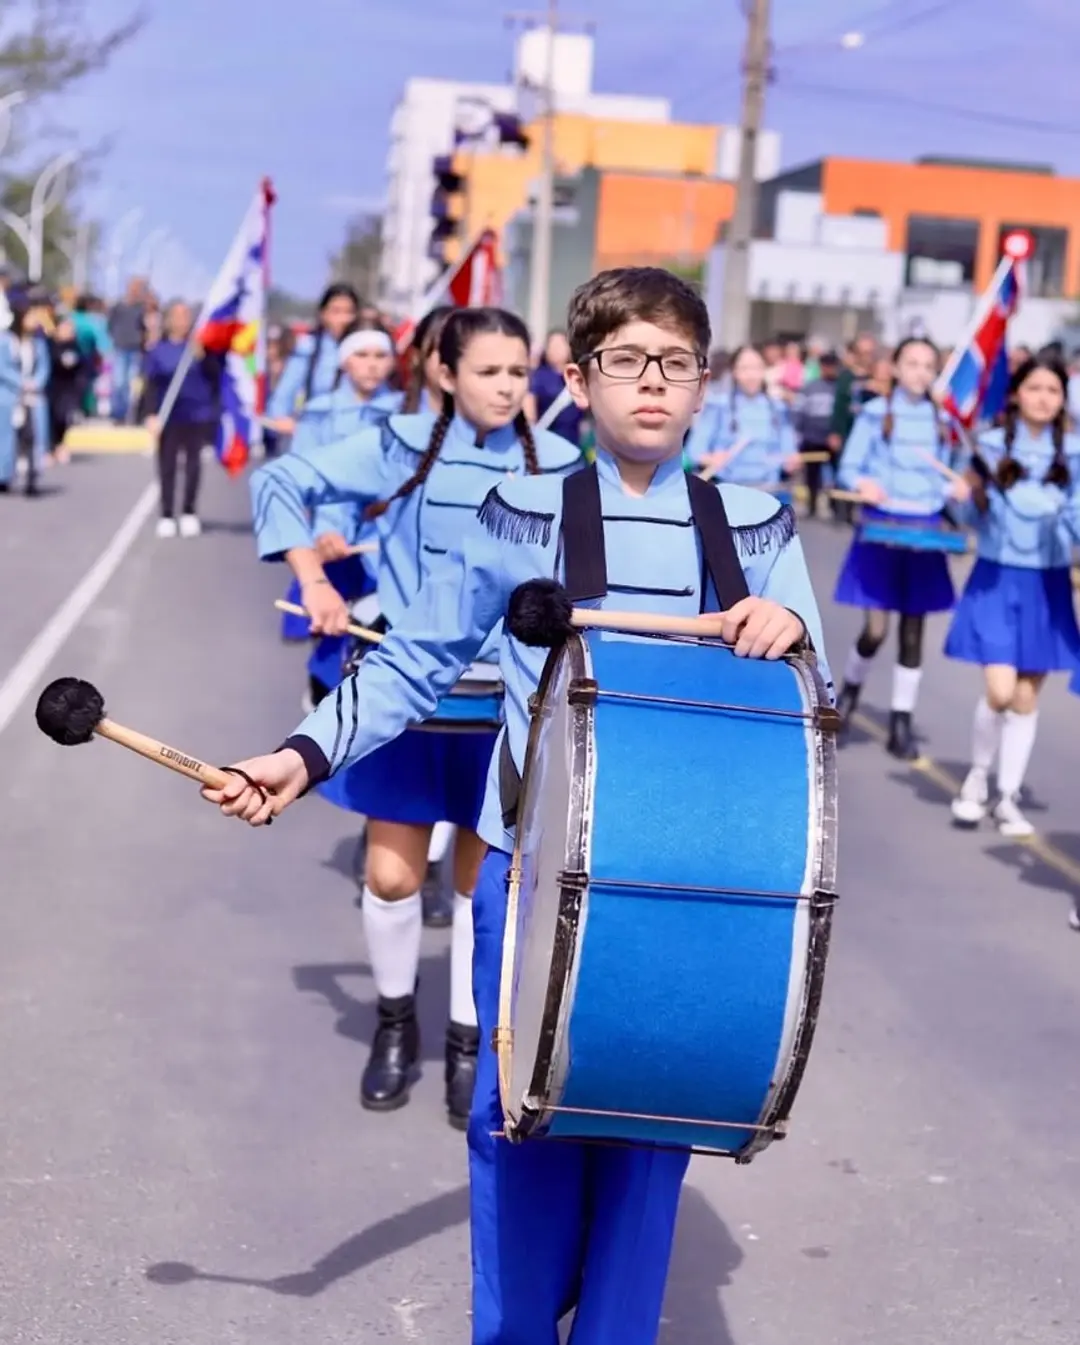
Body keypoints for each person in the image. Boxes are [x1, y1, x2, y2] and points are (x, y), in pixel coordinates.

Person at [203, 267, 830, 1345]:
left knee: (650, 1124)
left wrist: (791, 634)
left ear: (704, 384)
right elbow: (417, 658)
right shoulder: (520, 514)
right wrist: (301, 757)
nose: (652, 382)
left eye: (676, 363)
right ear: (577, 381)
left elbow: (811, 710)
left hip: (688, 882)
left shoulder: (757, 527)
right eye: (625, 360)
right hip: (530, 868)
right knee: (515, 1118)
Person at [247, 306, 581, 1129]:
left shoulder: (563, 463)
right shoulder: (399, 445)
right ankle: (395, 1021)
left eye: (518, 372)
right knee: (393, 877)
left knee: (476, 884)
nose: (506, 387)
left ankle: (467, 1040)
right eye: (488, 371)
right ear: (444, 372)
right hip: (409, 694)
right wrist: (314, 580)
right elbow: (280, 480)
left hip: (506, 707)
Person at [946, 354, 1080, 837]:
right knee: (1000, 691)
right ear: (1017, 394)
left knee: (1025, 697)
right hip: (996, 578)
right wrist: (963, 499)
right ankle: (977, 778)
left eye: (1053, 391)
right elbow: (967, 518)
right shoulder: (985, 446)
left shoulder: (1075, 455)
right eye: (1035, 388)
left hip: (1048, 582)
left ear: (1063, 399)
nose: (1044, 398)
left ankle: (1007, 796)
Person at [832, 337, 969, 760]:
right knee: (876, 630)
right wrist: (863, 483)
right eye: (912, 363)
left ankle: (901, 722)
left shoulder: (943, 419)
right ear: (895, 367)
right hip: (882, 526)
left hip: (925, 530)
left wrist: (958, 487)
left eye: (928, 365)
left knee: (914, 630)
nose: (920, 372)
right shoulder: (876, 413)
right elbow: (849, 467)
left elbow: (957, 470)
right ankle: (849, 693)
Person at [142, 300, 223, 539]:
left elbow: (216, 377)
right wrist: (150, 414)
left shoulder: (200, 348)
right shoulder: (158, 350)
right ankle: (167, 514)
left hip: (196, 414)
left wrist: (204, 356)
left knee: (193, 464)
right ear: (168, 320)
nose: (181, 320)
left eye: (185, 315)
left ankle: (189, 511)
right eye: (177, 315)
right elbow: (150, 385)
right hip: (168, 416)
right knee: (167, 465)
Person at [686, 343, 800, 486]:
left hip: (769, 488)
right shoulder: (719, 405)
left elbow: (789, 451)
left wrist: (791, 462)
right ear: (734, 371)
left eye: (757, 368)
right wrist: (710, 458)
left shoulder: (778, 408)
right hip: (727, 487)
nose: (751, 375)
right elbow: (694, 451)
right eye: (744, 368)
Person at [263, 282, 359, 436]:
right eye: (336, 311)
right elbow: (285, 393)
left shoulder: (366, 348)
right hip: (314, 433)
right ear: (323, 314)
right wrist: (281, 419)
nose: (344, 319)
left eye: (349, 312)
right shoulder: (309, 348)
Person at [0, 302, 50, 496]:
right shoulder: (6, 342)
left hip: (33, 397)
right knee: (7, 437)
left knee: (35, 437)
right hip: (10, 395)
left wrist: (35, 383)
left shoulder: (38, 343)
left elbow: (44, 368)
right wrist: (20, 383)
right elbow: (3, 368)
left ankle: (32, 475)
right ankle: (4, 475)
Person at [793, 350, 841, 518]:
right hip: (812, 438)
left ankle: (837, 507)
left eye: (832, 366)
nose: (830, 369)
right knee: (812, 475)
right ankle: (812, 506)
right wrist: (798, 433)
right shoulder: (810, 387)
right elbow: (799, 410)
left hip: (833, 440)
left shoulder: (840, 388)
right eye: (826, 366)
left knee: (836, 475)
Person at [525, 328, 583, 446]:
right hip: (546, 442)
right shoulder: (537, 377)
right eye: (552, 345)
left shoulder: (577, 376)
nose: (556, 349)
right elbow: (529, 412)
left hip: (573, 442)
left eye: (560, 345)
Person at [47, 312, 91, 463]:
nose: (69, 331)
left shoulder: (76, 347)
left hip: (69, 389)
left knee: (64, 418)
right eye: (65, 328)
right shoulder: (51, 345)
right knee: (52, 418)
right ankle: (50, 448)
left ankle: (60, 445)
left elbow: (83, 367)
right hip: (54, 388)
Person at [107, 276, 147, 422]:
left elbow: (143, 327)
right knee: (118, 382)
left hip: (135, 349)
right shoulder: (118, 307)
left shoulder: (140, 309)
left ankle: (130, 414)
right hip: (120, 348)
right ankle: (118, 413)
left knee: (132, 383)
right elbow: (110, 325)